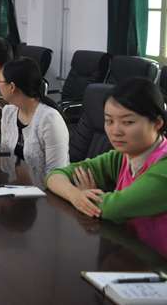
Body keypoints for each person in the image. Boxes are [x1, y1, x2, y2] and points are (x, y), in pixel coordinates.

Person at [46, 78, 167, 241]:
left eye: (128, 122)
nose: (115, 131)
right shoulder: (122, 156)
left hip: (154, 255)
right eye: (109, 121)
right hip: (128, 248)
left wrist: (88, 198)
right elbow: (54, 176)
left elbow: (111, 209)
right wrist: (75, 194)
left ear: (157, 123)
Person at [0, 57, 69, 184]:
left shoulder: (50, 120)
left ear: (12, 87)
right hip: (15, 186)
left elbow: (57, 174)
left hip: (46, 192)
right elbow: (5, 160)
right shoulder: (8, 112)